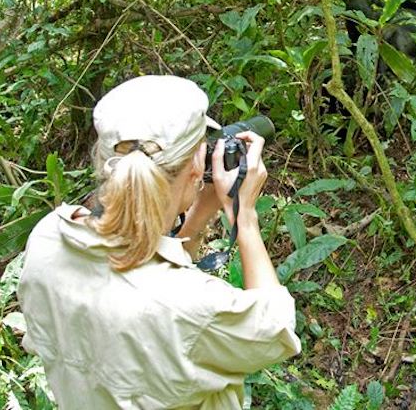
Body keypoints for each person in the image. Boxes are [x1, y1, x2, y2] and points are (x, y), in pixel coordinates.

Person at [18, 75, 301, 409]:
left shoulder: (48, 238)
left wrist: (199, 212)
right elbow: (277, 329)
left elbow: (145, 267)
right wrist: (245, 217)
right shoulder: (192, 307)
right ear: (196, 165)